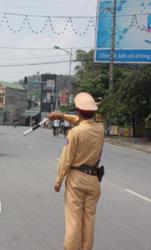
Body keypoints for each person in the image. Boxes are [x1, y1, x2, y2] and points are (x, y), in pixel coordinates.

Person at [48, 92, 104, 250]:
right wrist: (61, 116)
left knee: (74, 219)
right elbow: (81, 121)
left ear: (78, 111)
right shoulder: (100, 129)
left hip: (77, 180)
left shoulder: (75, 133)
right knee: (89, 219)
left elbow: (66, 160)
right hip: (94, 181)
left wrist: (59, 180)